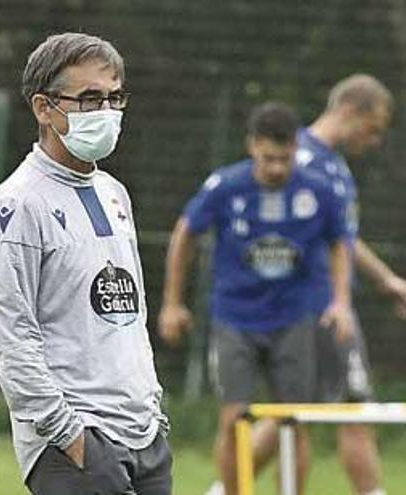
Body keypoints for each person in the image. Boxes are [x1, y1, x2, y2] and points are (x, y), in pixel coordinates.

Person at [0, 32, 171, 495]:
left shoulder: (113, 193)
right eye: (89, 99)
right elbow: (11, 339)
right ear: (44, 108)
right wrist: (69, 436)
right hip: (76, 441)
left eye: (113, 98)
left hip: (144, 434)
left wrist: (154, 409)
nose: (106, 112)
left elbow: (131, 315)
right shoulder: (17, 205)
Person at [158, 101, 356, 495]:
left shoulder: (318, 190)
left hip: (295, 317)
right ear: (252, 146)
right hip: (236, 318)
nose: (277, 168)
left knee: (294, 421)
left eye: (285, 159)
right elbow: (185, 235)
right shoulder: (226, 186)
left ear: (297, 147)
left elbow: (340, 244)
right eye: (268, 159)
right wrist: (172, 302)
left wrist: (341, 301)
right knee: (234, 420)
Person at [238, 75, 405, 495]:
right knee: (345, 410)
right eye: (374, 128)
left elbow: (342, 239)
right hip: (316, 307)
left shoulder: (334, 165)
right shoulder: (299, 159)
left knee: (297, 415)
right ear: (352, 110)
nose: (376, 139)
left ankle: (224, 488)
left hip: (328, 305)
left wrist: (387, 280)